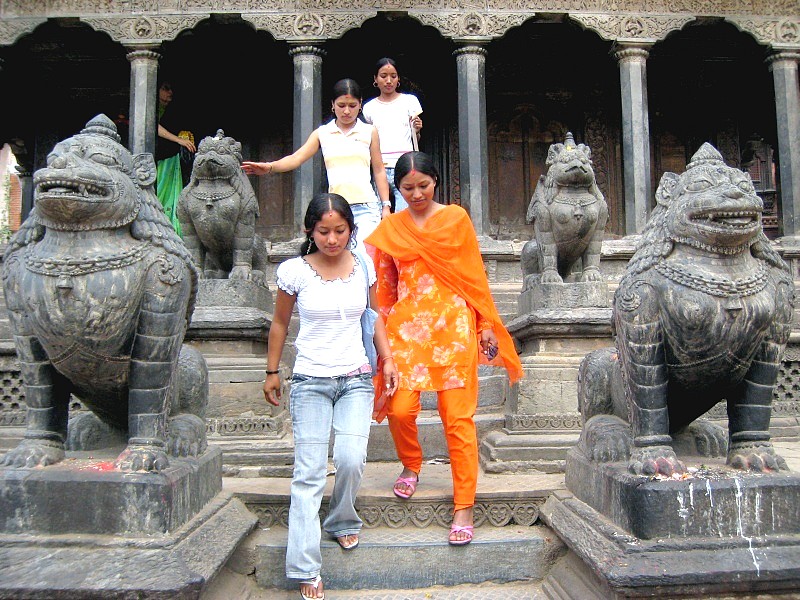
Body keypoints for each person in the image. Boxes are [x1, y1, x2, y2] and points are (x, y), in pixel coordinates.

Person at [365, 151, 523, 546]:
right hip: (405, 333)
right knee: (400, 409)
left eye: (423, 185)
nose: (416, 194)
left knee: (458, 419)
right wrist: (380, 344)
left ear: (436, 181)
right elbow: (383, 290)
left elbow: (473, 275)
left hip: (453, 328)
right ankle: (411, 465)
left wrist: (485, 323)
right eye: (407, 188)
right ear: (396, 189)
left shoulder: (455, 219)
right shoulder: (390, 229)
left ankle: (464, 505)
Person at [264, 193, 398, 600]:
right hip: (309, 381)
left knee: (351, 459)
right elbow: (279, 324)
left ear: (351, 231)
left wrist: (387, 359)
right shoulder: (294, 272)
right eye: (324, 231)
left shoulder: (364, 267)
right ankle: (305, 566)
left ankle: (341, 519)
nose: (332, 239)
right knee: (307, 472)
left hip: (355, 377)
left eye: (340, 230)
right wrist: (272, 372)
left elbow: (373, 319)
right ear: (310, 231)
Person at [242, 78, 391, 253]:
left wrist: (385, 206)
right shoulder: (323, 133)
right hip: (336, 208)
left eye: (352, 105)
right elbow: (297, 158)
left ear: (360, 105)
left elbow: (379, 170)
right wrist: (269, 167)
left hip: (366, 206)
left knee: (366, 256)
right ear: (333, 105)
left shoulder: (369, 131)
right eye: (341, 105)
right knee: (339, 256)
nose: (346, 111)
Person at [362, 57, 423, 212]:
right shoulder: (369, 108)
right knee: (378, 214)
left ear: (398, 79)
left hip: (405, 167)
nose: (388, 80)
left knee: (404, 214)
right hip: (379, 167)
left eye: (393, 76)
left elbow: (416, 139)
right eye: (383, 76)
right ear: (375, 79)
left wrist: (417, 130)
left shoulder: (410, 101)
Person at [155, 81, 195, 235]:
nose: (169, 93)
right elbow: (153, 125)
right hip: (158, 157)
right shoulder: (149, 106)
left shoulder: (174, 110)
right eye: (165, 89)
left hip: (171, 158)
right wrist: (178, 140)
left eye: (171, 89)